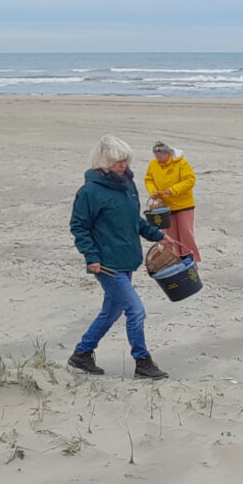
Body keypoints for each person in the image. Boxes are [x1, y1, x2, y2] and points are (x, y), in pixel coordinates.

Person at [68, 135, 170, 380]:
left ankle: (82, 354)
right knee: (135, 310)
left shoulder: (127, 185)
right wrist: (91, 258)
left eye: (125, 160)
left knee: (111, 312)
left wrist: (158, 236)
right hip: (105, 264)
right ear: (103, 162)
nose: (123, 165)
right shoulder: (89, 192)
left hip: (127, 259)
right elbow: (79, 227)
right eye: (117, 161)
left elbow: (133, 220)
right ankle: (142, 361)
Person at [144, 141, 200, 263]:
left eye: (159, 156)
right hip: (164, 206)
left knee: (186, 232)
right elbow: (149, 179)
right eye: (156, 156)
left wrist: (173, 190)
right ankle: (174, 257)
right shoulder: (153, 164)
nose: (157, 159)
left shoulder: (181, 163)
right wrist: (153, 192)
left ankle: (189, 256)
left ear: (167, 154)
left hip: (183, 204)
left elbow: (190, 180)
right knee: (169, 234)